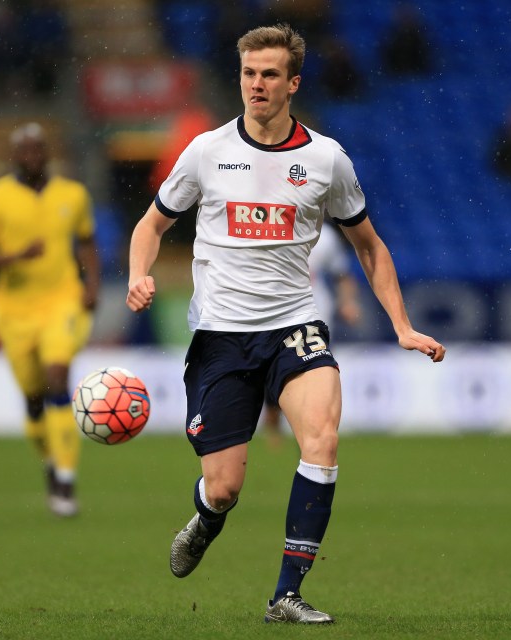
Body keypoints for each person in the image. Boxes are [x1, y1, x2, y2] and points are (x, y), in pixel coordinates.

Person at [126, 24, 444, 624]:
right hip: (221, 336)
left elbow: (370, 248)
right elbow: (151, 225)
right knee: (223, 487)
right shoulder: (206, 152)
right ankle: (207, 518)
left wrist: (402, 326)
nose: (257, 85)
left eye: (270, 74)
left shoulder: (325, 159)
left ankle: (286, 594)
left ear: (293, 82)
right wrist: (139, 274)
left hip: (297, 327)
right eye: (249, 73)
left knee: (321, 442)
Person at [0, 122, 100, 517]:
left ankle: (66, 480)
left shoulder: (73, 195)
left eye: (39, 148)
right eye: (24, 150)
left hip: (63, 302)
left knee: (58, 376)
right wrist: (14, 257)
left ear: (48, 152)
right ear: (14, 156)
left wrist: (92, 284)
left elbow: (87, 240)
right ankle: (50, 459)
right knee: (34, 399)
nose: (33, 156)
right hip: (14, 311)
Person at [261, 220, 361, 447]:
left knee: (313, 370)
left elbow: (342, 274)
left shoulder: (325, 236)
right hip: (276, 312)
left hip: (315, 314)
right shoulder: (271, 223)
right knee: (273, 369)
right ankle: (274, 416)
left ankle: (311, 426)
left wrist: (348, 302)